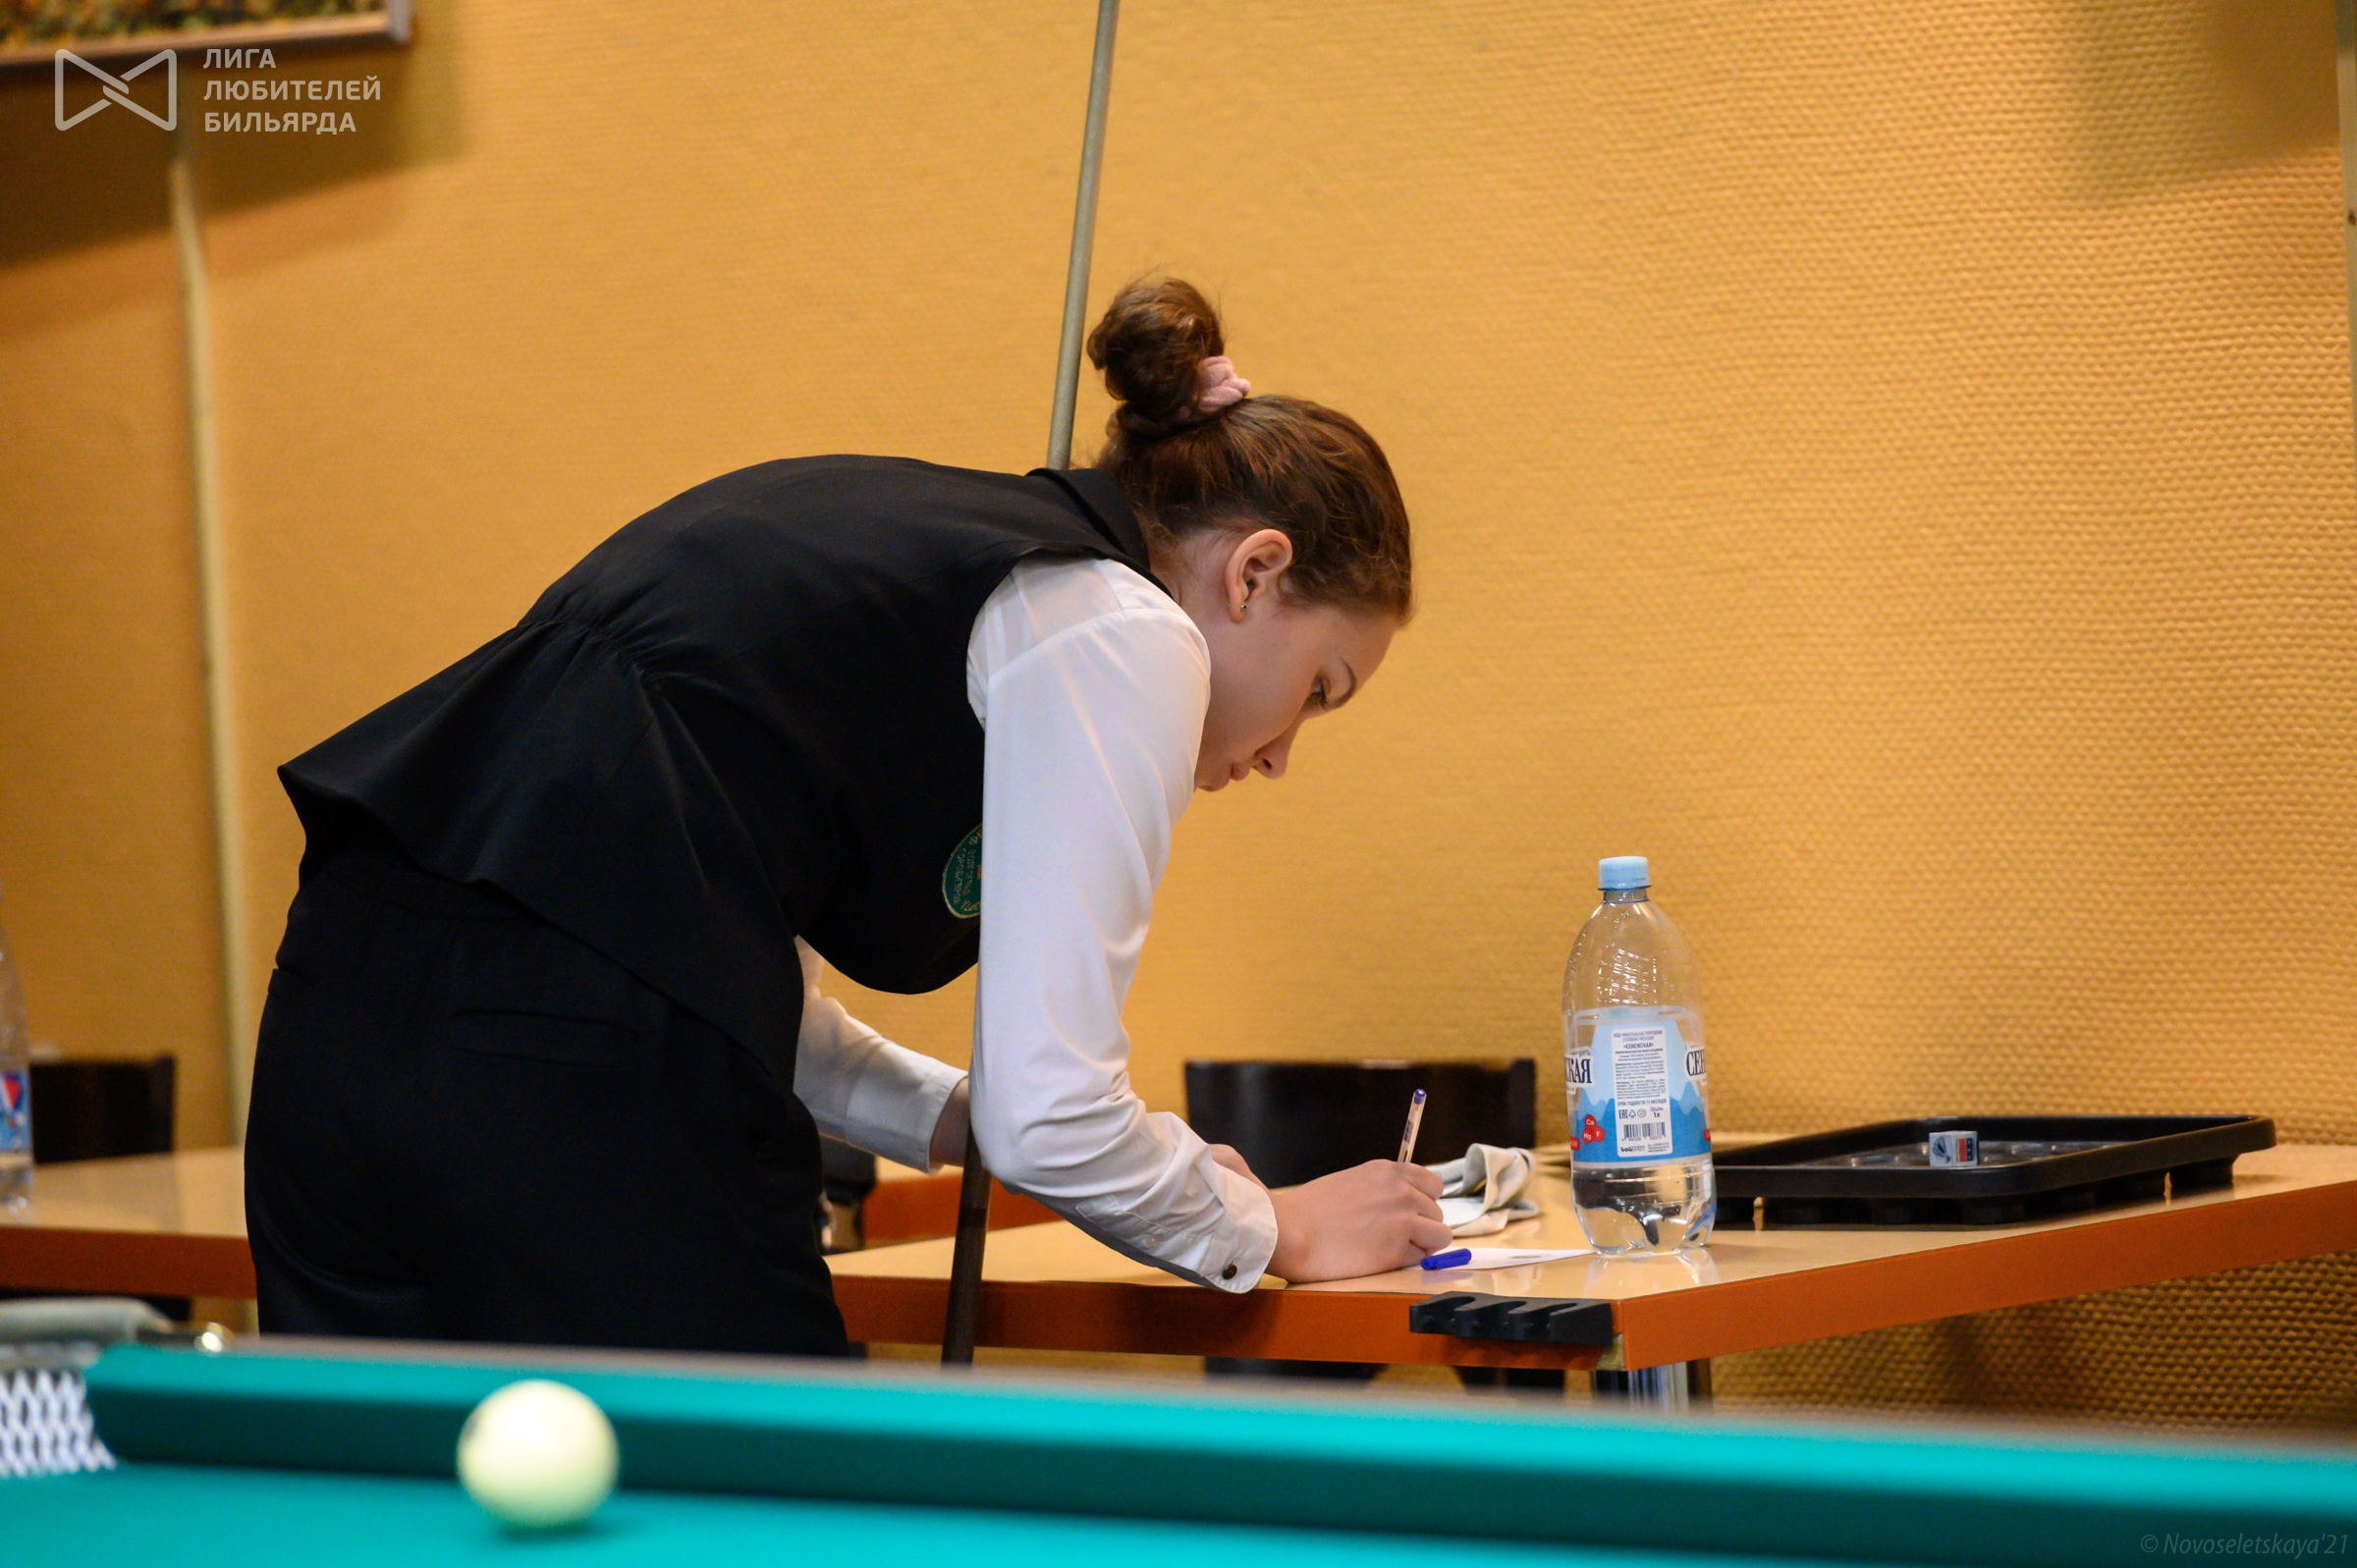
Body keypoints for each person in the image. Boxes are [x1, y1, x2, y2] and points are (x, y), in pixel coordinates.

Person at [244, 277, 1453, 1355]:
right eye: (1317, 688)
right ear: (1253, 572)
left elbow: (705, 982)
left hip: (339, 1019)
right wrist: (1273, 1223)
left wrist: (958, 1118)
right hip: (566, 1078)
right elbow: (1052, 1116)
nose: (1279, 755)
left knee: (383, 1497)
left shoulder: (920, 551)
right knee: (773, 1500)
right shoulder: (1123, 628)